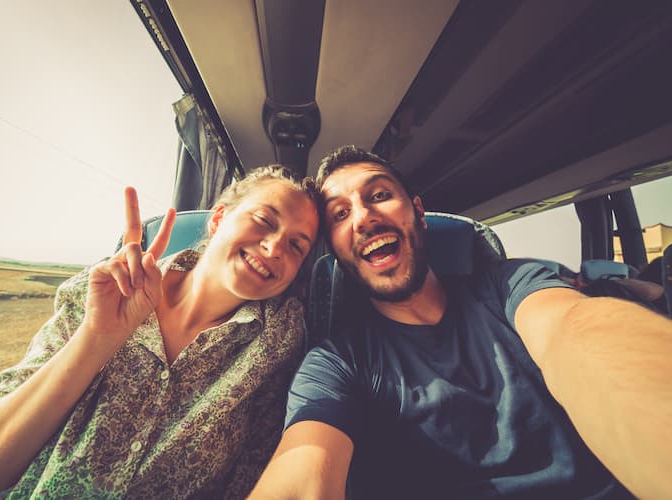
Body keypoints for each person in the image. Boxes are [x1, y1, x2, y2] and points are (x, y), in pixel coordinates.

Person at [250, 146, 672, 499]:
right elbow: (304, 471)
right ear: (336, 250)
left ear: (417, 212)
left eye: (378, 195)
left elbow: (577, 329)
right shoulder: (338, 362)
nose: (362, 218)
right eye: (340, 215)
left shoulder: (511, 286)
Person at [0, 165, 320, 499]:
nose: (273, 249)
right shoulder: (103, 291)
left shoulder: (278, 345)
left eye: (296, 246)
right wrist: (97, 338)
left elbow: (251, 480)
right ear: (218, 219)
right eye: (264, 221)